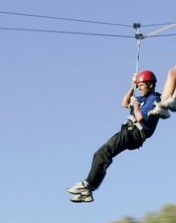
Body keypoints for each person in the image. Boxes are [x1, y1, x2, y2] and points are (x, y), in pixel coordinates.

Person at [67, 70, 162, 203]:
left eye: (141, 85)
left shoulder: (154, 99)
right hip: (129, 132)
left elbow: (140, 117)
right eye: (138, 86)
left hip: (134, 133)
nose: (139, 88)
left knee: (103, 152)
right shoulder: (144, 98)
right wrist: (132, 86)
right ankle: (88, 189)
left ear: (151, 85)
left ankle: (88, 186)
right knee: (103, 153)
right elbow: (124, 103)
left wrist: (135, 105)